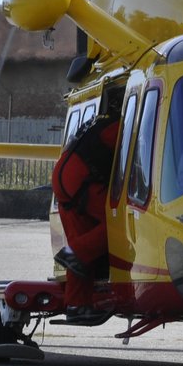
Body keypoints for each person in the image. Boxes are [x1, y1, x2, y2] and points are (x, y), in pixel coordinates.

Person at [51, 113, 118, 306]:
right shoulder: (123, 124)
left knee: (83, 239)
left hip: (62, 176)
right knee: (119, 225)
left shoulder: (100, 123)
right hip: (79, 177)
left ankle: (76, 304)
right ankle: (74, 253)